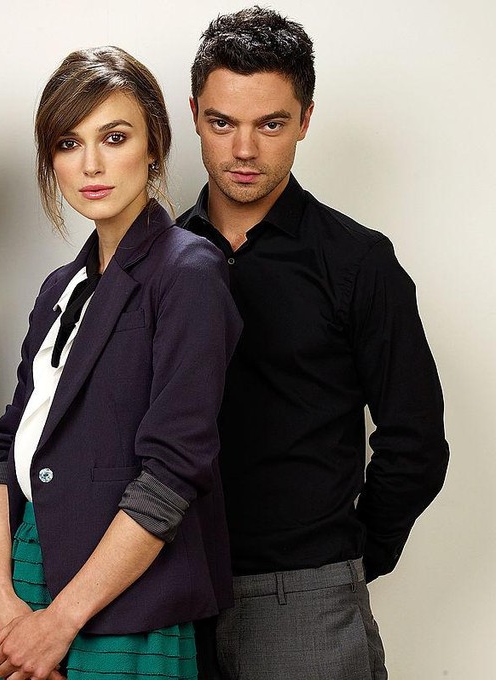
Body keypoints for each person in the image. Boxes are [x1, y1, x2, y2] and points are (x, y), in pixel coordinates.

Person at [179, 7, 450, 679]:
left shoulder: (357, 262)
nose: (243, 150)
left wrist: (348, 558)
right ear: (193, 115)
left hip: (305, 599)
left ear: (303, 120)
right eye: (222, 123)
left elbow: (413, 440)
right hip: (170, 594)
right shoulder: (157, 256)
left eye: (269, 124)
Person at [0, 46, 241, 680]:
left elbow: (170, 477)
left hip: (120, 603)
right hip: (19, 587)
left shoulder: (189, 274)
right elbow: (8, 446)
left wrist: (59, 623)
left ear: (154, 146)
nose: (89, 164)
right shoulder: (58, 289)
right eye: (69, 143)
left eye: (113, 137)